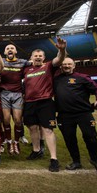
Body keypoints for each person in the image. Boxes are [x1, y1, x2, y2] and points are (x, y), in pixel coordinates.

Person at [54, 57, 97, 174]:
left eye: (69, 64)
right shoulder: (55, 79)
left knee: (90, 136)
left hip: (84, 113)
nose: (66, 66)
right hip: (64, 115)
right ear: (61, 66)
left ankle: (95, 160)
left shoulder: (82, 77)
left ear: (74, 66)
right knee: (69, 139)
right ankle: (76, 161)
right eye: (64, 64)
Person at [0, 38, 31, 155]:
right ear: (4, 52)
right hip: (4, 94)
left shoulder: (23, 62)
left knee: (18, 120)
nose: (10, 49)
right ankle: (8, 142)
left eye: (12, 48)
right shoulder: (1, 61)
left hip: (17, 94)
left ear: (16, 51)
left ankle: (16, 142)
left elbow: (35, 64)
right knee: (6, 120)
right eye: (7, 48)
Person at [23, 37, 66, 172]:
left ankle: (53, 159)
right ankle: (36, 150)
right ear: (31, 57)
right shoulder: (26, 70)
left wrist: (62, 49)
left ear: (44, 57)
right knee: (33, 128)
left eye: (40, 56)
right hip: (29, 103)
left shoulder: (48, 66)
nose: (38, 58)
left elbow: (59, 59)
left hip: (45, 102)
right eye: (35, 56)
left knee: (48, 130)